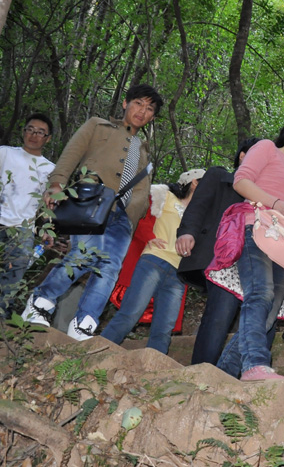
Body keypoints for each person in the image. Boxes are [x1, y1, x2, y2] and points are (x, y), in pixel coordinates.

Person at [22, 84, 163, 340]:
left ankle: (84, 322)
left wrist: (135, 222)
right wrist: (57, 184)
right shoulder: (99, 126)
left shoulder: (145, 151)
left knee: (109, 267)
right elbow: (71, 154)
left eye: (149, 108)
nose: (142, 111)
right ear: (125, 104)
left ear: (152, 117)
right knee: (84, 255)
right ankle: (40, 301)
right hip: (92, 200)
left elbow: (143, 191)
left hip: (123, 217)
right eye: (138, 103)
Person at [208, 115, 284, 381]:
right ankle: (255, 364)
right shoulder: (266, 148)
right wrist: (275, 203)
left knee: (271, 312)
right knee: (259, 295)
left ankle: (222, 376)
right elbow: (241, 180)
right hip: (258, 230)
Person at [100, 169, 204, 353]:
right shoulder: (164, 195)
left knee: (165, 328)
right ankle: (99, 352)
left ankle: (153, 368)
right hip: (154, 260)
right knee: (130, 313)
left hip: (179, 274)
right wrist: (149, 236)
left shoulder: (199, 216)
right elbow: (141, 218)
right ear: (195, 182)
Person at [175, 139, 258, 365]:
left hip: (250, 262)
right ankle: (202, 370)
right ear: (242, 156)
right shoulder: (219, 177)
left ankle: (224, 371)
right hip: (218, 256)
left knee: (245, 317)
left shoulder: (264, 194)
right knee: (221, 312)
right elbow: (197, 206)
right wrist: (187, 232)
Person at [0, 113, 55, 318]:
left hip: (23, 229)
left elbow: (48, 204)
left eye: (40, 132)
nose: (34, 135)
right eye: (30, 130)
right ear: (23, 132)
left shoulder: (50, 169)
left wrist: (46, 230)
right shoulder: (4, 153)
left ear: (47, 138)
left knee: (12, 280)